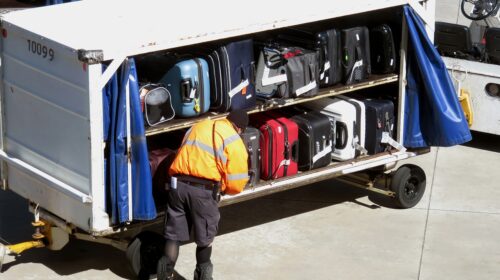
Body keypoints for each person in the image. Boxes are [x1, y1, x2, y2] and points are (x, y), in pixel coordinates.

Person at [157, 109, 250, 280]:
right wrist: (223, 189)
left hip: (177, 186)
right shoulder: (233, 139)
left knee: (173, 236)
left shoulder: (199, 126)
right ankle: (203, 275)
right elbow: (236, 184)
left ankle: (165, 274)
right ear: (239, 128)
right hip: (203, 192)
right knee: (204, 239)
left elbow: (182, 151)